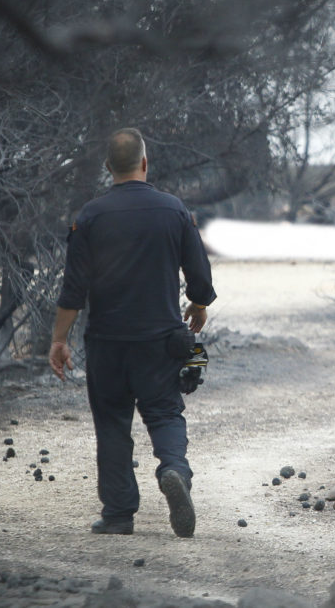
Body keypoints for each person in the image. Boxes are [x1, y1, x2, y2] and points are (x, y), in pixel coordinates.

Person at [49, 128, 215, 539]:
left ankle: (120, 514)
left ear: (108, 168)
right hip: (159, 341)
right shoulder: (173, 211)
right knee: (164, 413)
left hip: (106, 343)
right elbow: (199, 274)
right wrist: (198, 302)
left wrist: (58, 340)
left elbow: (73, 290)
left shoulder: (89, 217)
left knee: (111, 423)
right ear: (145, 163)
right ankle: (174, 470)